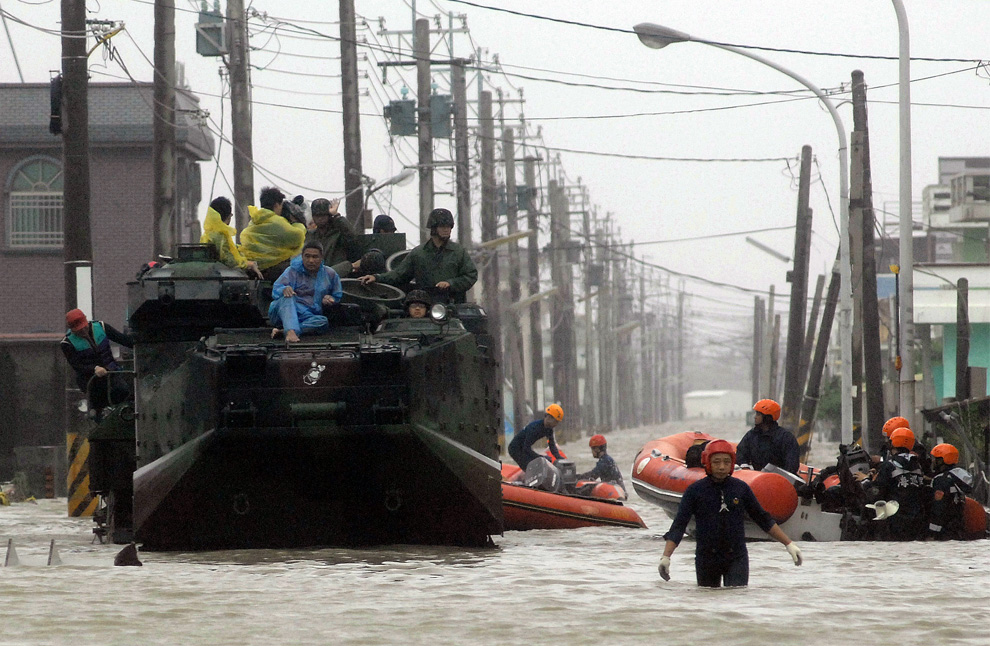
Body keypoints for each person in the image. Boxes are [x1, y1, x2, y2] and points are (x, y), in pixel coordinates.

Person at [658, 439, 803, 587]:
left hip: (736, 557)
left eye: (726, 462)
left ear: (732, 463)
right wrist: (666, 557)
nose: (722, 467)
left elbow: (763, 519)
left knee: (737, 599)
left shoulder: (741, 488)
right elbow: (678, 526)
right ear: (707, 462)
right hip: (706, 559)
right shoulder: (695, 491)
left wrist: (789, 544)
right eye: (716, 462)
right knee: (707, 601)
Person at [359, 208, 477, 303]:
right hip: (425, 303)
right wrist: (377, 277)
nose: (447, 230)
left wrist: (451, 283)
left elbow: (470, 275)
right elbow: (399, 274)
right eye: (442, 226)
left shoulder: (458, 252)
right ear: (434, 228)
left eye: (449, 227)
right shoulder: (419, 253)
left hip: (453, 303)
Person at [60, 309, 134, 418]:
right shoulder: (67, 343)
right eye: (79, 330)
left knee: (123, 391)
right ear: (72, 330)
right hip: (91, 379)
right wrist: (95, 368)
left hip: (111, 372)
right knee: (99, 405)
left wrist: (139, 345)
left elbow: (123, 339)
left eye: (84, 327)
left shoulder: (101, 327)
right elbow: (77, 365)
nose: (83, 332)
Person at [269, 240, 343, 343]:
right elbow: (276, 289)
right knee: (288, 296)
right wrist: (284, 289)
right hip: (283, 312)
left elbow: (337, 295)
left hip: (308, 315)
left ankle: (287, 331)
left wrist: (330, 299)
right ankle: (290, 331)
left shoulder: (330, 274)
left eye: (315, 257)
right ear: (302, 256)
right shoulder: (292, 271)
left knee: (322, 322)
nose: (311, 260)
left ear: (322, 258)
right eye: (307, 256)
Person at [863, 427, 928, 541]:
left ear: (893, 443)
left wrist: (865, 481)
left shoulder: (890, 465)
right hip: (917, 520)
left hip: (896, 520)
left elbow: (876, 492)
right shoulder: (917, 465)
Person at [240, 186, 307, 282]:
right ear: (276, 205)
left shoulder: (254, 221)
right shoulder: (278, 222)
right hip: (272, 272)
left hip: (252, 270)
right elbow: (298, 237)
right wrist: (297, 222)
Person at [199, 196, 263, 279]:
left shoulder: (206, 234)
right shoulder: (221, 235)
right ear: (228, 216)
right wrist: (248, 264)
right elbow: (230, 261)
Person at [735, 399, 800, 474]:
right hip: (757, 477)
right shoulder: (751, 435)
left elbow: (792, 463)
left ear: (767, 417)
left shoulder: (785, 437)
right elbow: (741, 453)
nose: (755, 417)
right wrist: (745, 467)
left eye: (758, 415)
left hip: (778, 479)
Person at [928, 443, 973, 540]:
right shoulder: (957, 477)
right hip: (958, 527)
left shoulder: (940, 480)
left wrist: (932, 533)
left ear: (942, 460)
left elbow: (938, 508)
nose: (933, 461)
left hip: (944, 531)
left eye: (936, 458)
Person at [508, 404, 564, 470]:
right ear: (549, 417)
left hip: (524, 448)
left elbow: (551, 445)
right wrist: (541, 457)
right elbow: (526, 448)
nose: (556, 424)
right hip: (515, 449)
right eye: (556, 421)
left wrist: (559, 458)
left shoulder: (549, 430)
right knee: (530, 467)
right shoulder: (534, 428)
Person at [306, 197, 357, 267]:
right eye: (317, 216)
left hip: (335, 273)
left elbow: (352, 237)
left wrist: (336, 215)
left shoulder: (339, 234)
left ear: (329, 216)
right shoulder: (310, 235)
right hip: (314, 272)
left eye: (323, 215)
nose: (320, 218)